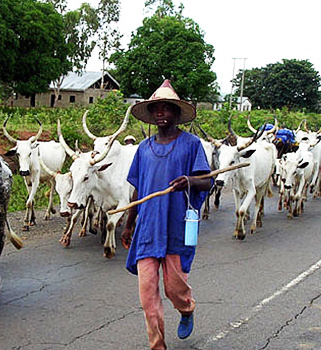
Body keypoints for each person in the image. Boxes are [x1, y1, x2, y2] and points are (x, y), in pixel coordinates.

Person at [121, 80, 212, 350]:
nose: (161, 113)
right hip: (147, 229)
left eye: (166, 109)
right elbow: (137, 189)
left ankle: (186, 309)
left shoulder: (191, 145)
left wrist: (190, 181)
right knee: (147, 295)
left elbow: (207, 181)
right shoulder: (143, 149)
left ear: (176, 113)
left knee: (174, 288)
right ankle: (157, 345)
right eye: (156, 109)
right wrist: (129, 224)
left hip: (176, 226)